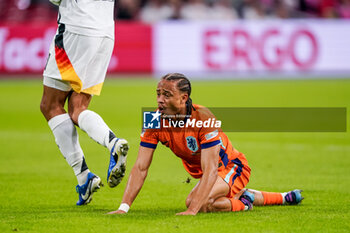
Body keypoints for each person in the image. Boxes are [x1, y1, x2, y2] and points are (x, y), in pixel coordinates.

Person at [108, 73, 303, 215]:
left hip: (231, 167)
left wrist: (193, 210)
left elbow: (211, 169)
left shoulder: (204, 118)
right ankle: (271, 198)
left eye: (167, 95)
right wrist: (123, 208)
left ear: (183, 98)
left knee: (198, 203)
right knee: (202, 201)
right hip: (209, 173)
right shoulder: (153, 121)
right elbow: (141, 167)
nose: (160, 100)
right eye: (158, 93)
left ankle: (244, 203)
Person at [40, 0, 129, 206]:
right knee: (78, 108)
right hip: (105, 32)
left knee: (50, 105)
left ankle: (82, 174)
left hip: (76, 27)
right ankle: (112, 143)